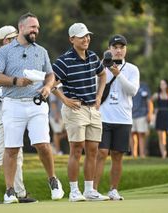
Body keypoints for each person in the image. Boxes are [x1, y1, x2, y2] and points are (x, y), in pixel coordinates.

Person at [0, 12, 64, 204]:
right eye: (33, 27)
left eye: (37, 28)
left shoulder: (41, 51)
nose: (36, 31)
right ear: (21, 28)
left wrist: (48, 87)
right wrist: (16, 81)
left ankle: (53, 180)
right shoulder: (5, 51)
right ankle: (9, 191)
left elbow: (50, 75)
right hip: (12, 105)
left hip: (36, 104)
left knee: (43, 145)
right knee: (12, 149)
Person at [0, 26, 36, 204]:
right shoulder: (3, 57)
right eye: (13, 38)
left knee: (16, 152)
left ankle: (20, 192)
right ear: (5, 41)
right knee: (1, 152)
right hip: (4, 112)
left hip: (11, 110)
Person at [52, 23, 109, 202]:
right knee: (76, 150)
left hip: (93, 108)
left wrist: (99, 96)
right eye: (82, 36)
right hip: (75, 109)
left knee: (93, 151)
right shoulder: (64, 61)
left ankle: (90, 190)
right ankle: (74, 191)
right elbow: (50, 83)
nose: (86, 39)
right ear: (72, 39)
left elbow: (103, 75)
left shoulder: (93, 57)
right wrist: (65, 100)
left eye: (87, 36)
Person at [94, 34, 140, 200]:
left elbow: (132, 91)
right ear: (109, 50)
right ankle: (93, 189)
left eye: (121, 47)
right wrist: (102, 68)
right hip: (103, 117)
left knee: (117, 155)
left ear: (125, 49)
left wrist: (118, 74)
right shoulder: (100, 67)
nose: (118, 51)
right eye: (115, 47)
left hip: (123, 118)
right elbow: (94, 87)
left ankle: (113, 189)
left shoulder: (132, 69)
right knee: (101, 153)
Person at [150, 79, 168, 158]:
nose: (162, 86)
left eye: (163, 84)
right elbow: (150, 101)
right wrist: (153, 111)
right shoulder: (157, 95)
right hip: (160, 116)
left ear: (167, 85)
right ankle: (164, 154)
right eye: (161, 84)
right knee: (161, 138)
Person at [130, 81, 152, 158]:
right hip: (130, 114)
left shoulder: (144, 86)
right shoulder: (130, 85)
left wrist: (149, 113)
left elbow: (149, 101)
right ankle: (134, 155)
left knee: (141, 135)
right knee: (132, 135)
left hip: (142, 114)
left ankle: (142, 154)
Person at [48, 91, 66, 155]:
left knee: (69, 133)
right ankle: (58, 151)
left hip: (64, 115)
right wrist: (56, 115)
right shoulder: (54, 89)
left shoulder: (64, 87)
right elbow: (53, 102)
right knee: (57, 133)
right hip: (56, 116)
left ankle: (52, 144)